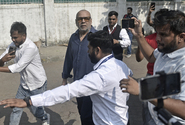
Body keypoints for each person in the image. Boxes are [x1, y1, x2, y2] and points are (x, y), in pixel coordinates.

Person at [0, 30, 133, 125]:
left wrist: (29, 101)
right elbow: (130, 75)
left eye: (89, 49)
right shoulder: (120, 65)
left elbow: (67, 91)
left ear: (97, 50)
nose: (87, 52)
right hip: (121, 119)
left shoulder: (100, 76)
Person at [120, 9, 185, 125]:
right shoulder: (169, 48)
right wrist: (139, 36)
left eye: (163, 34)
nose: (157, 38)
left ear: (181, 37)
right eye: (157, 33)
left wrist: (143, 90)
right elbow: (152, 56)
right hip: (158, 118)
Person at [0, 22, 50, 125]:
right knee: (16, 108)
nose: (13, 40)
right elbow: (2, 59)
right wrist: (2, 60)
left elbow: (18, 67)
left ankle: (45, 118)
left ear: (24, 36)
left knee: (37, 111)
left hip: (37, 85)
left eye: (15, 37)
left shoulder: (30, 48)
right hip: (24, 85)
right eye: (12, 37)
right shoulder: (13, 45)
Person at [61, 10, 96, 125]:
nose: (83, 21)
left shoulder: (96, 37)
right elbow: (68, 59)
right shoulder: (73, 38)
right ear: (76, 22)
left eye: (86, 18)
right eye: (80, 19)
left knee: (90, 115)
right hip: (78, 83)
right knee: (82, 112)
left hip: (93, 84)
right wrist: (65, 77)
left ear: (91, 20)